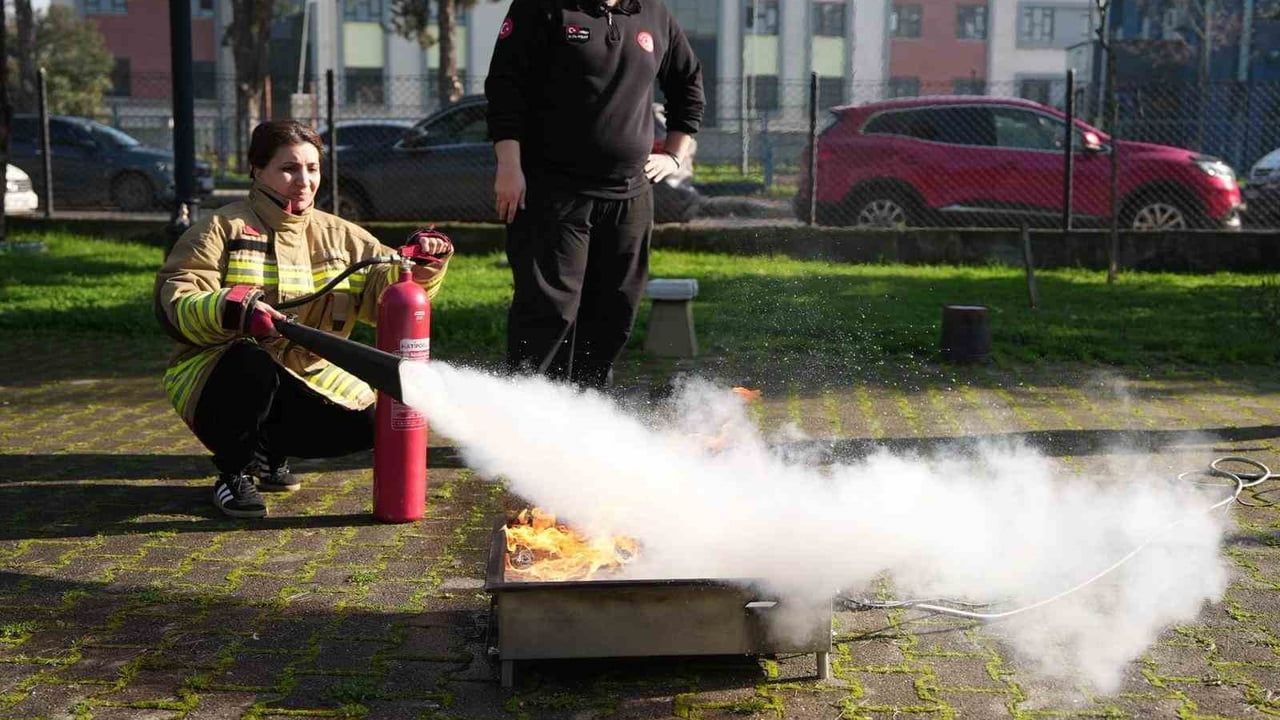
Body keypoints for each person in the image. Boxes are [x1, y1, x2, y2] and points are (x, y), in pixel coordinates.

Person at [154, 121, 453, 519]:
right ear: (257, 170)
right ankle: (233, 472)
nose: (305, 180)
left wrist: (423, 262)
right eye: (289, 168)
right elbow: (177, 297)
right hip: (219, 372)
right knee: (252, 365)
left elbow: (386, 291)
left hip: (304, 373)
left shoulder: (341, 235)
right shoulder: (220, 229)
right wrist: (233, 308)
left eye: (312, 168)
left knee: (374, 420)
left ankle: (269, 451)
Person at [485, 0, 704, 388]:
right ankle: (528, 426)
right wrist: (508, 164)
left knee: (614, 314)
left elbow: (688, 83)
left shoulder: (653, 13)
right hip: (553, 193)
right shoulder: (545, 7)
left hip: (629, 196)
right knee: (548, 313)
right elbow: (506, 85)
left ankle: (586, 414)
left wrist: (674, 153)